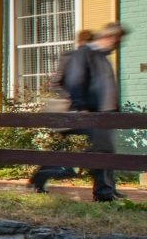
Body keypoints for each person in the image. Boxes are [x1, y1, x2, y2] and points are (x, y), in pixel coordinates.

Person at [29, 22, 128, 201]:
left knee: (105, 150)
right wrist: (80, 107)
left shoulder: (100, 56)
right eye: (117, 42)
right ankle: (47, 173)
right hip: (88, 113)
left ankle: (104, 192)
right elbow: (76, 80)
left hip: (103, 114)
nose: (117, 46)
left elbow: (104, 86)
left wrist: (114, 111)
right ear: (109, 37)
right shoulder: (83, 54)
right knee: (101, 150)